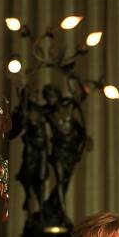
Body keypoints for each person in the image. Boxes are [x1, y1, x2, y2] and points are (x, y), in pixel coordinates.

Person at [41, 83, 87, 220]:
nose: (50, 100)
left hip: (71, 151)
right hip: (58, 150)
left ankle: (51, 205)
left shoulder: (70, 108)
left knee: (65, 181)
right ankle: (62, 212)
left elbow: (81, 131)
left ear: (58, 96)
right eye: (47, 97)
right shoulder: (47, 113)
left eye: (52, 96)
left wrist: (81, 147)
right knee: (61, 179)